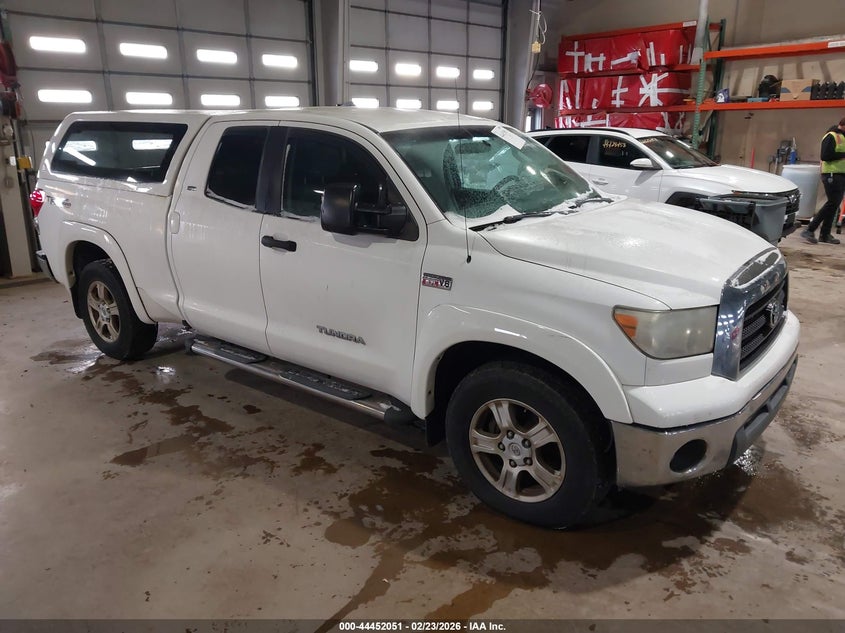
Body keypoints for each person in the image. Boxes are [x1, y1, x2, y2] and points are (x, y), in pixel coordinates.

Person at [801, 117, 845, 245]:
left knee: (834, 204)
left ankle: (825, 235)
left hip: (840, 175)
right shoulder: (831, 136)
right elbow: (825, 156)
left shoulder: (842, 137)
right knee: (832, 203)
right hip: (832, 174)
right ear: (842, 125)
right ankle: (809, 229)